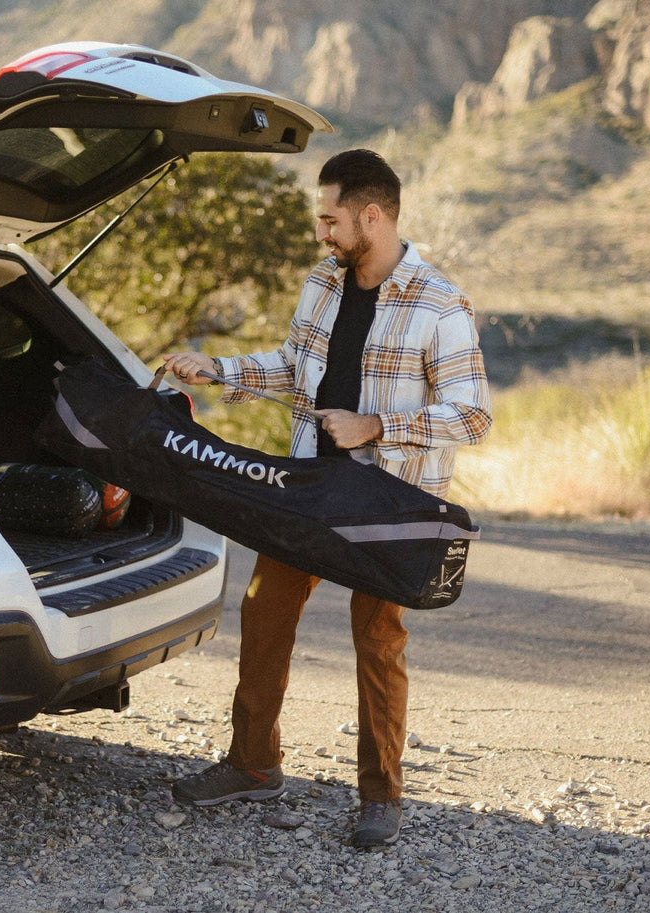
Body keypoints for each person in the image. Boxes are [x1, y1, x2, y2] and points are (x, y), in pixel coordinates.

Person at [161, 148, 491, 847]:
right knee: (264, 611)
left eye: (331, 219)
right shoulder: (324, 281)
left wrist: (379, 426)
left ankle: (380, 796)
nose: (322, 234)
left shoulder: (440, 303)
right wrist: (216, 369)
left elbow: (474, 414)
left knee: (377, 640)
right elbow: (291, 365)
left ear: (373, 215)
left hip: (388, 501)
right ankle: (253, 765)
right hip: (309, 485)